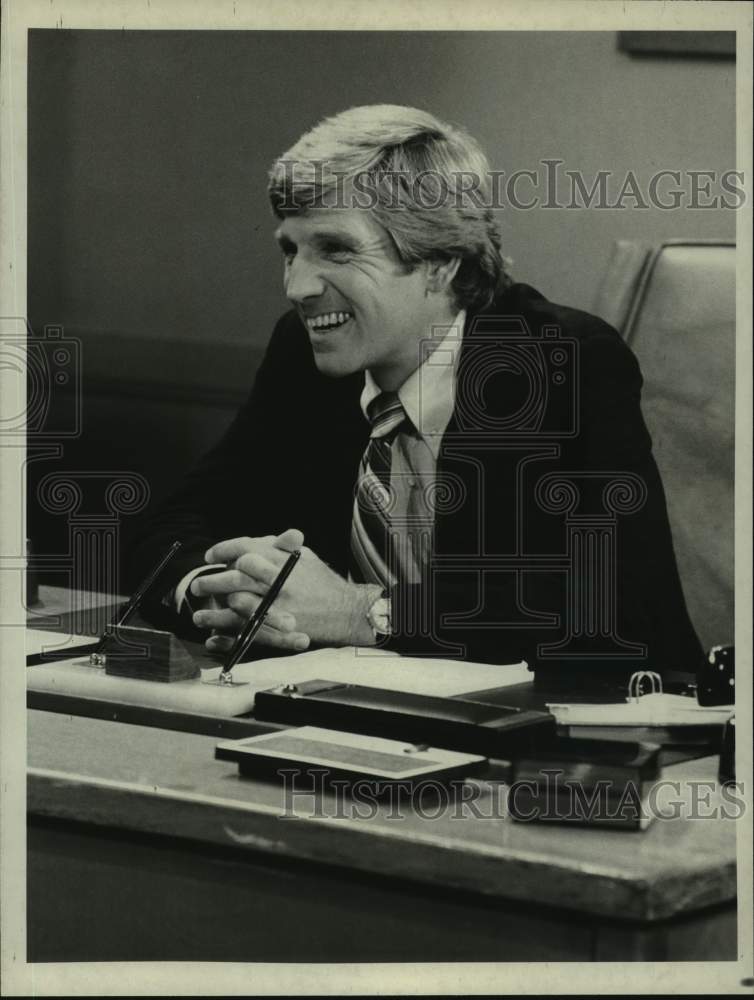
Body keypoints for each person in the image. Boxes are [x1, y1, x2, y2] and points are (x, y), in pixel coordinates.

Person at [127, 104, 704, 684]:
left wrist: (360, 612)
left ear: (441, 263)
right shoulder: (306, 352)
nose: (297, 286)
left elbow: (620, 614)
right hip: (350, 718)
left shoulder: (564, 359)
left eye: (336, 250)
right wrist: (220, 589)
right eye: (290, 250)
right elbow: (178, 520)